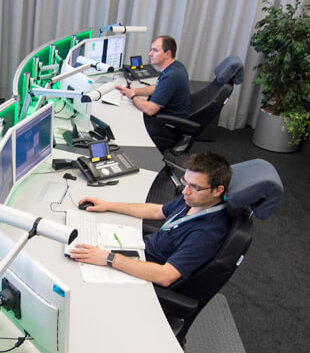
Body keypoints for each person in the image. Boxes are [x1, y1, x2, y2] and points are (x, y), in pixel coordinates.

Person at [69, 151, 231, 288]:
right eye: (185, 182)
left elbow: (165, 276)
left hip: (146, 272)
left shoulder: (207, 234)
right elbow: (157, 211)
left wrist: (108, 258)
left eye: (194, 187)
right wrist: (108, 205)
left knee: (74, 276)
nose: (185, 191)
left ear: (218, 190)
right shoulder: (194, 198)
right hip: (138, 251)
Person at [120, 36, 191, 150]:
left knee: (129, 125)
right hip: (168, 117)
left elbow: (150, 110)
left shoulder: (171, 76)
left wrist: (132, 96)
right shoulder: (176, 66)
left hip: (168, 125)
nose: (150, 54)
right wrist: (134, 91)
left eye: (155, 50)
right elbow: (156, 88)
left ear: (168, 54)